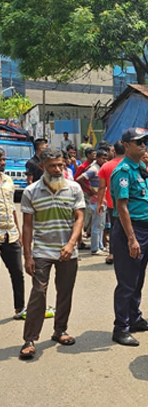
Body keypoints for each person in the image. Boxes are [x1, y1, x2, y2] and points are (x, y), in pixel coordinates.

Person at [18, 147, 85, 360]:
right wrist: (27, 256)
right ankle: (29, 339)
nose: (57, 169)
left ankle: (60, 330)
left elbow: (79, 218)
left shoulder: (74, 189)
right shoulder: (31, 192)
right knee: (38, 292)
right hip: (42, 251)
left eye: (60, 165)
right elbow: (27, 226)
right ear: (42, 167)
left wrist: (71, 244)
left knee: (65, 292)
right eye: (52, 166)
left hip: (67, 251)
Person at [109, 128, 148, 347]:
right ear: (126, 145)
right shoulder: (123, 172)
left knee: (138, 279)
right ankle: (120, 328)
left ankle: (134, 318)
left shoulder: (140, 169)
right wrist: (132, 238)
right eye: (138, 142)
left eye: (145, 142)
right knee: (127, 282)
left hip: (143, 230)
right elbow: (122, 207)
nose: (143, 146)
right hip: (129, 231)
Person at [0, 148, 26, 320]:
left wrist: (19, 231)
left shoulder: (8, 180)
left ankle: (20, 308)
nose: (3, 163)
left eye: (4, 159)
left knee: (17, 272)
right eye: (0, 160)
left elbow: (12, 208)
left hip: (11, 234)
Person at [97, 141, 125, 265]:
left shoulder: (106, 166)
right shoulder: (132, 165)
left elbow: (102, 187)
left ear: (114, 151)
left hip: (112, 204)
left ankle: (112, 253)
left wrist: (99, 204)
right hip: (130, 204)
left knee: (114, 229)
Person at [77, 149, 109, 254]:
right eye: (103, 158)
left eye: (106, 158)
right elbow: (80, 179)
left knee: (101, 225)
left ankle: (100, 245)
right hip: (96, 200)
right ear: (98, 158)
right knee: (96, 225)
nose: (105, 160)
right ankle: (95, 248)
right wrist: (90, 190)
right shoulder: (94, 169)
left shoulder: (100, 168)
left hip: (102, 200)